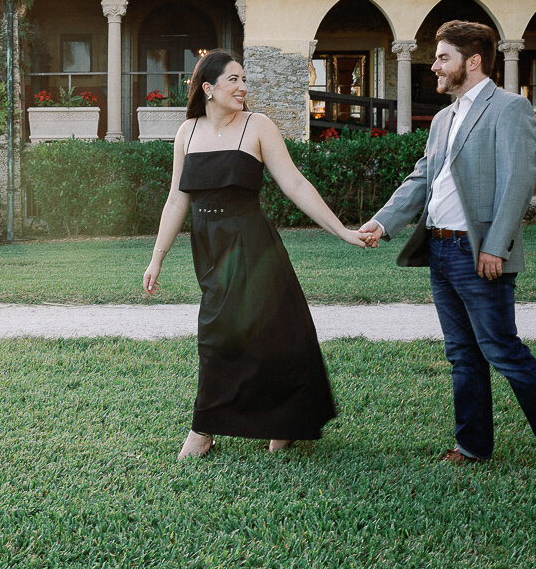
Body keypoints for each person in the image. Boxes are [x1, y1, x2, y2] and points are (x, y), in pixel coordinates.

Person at [358, 20, 536, 471]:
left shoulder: (509, 108)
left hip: (478, 252)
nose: (435, 65)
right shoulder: (444, 118)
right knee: (462, 353)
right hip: (440, 251)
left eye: (444, 57)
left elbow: (518, 182)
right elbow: (423, 177)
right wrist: (383, 223)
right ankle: (473, 447)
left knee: (501, 348)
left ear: (473, 61)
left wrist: (495, 247)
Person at [143, 49, 370, 460]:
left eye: (244, 79)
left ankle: (214, 427)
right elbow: (177, 200)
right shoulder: (187, 132)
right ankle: (219, 426)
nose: (243, 87)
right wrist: (157, 257)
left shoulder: (258, 126)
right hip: (209, 246)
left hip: (251, 244)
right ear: (208, 88)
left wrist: (341, 231)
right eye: (233, 80)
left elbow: (295, 184)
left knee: (267, 334)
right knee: (220, 334)